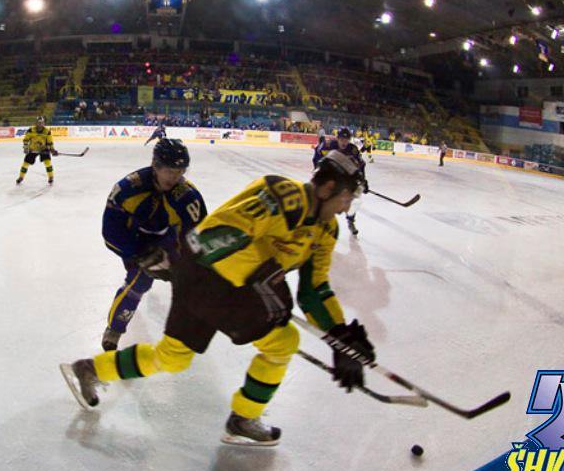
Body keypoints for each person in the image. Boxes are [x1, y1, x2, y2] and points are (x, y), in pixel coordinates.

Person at [62, 151, 374, 446]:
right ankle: (244, 418)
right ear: (328, 188)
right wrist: (259, 281)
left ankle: (90, 369)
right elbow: (218, 236)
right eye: (346, 198)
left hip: (232, 287)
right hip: (205, 275)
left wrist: (339, 335)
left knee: (173, 357)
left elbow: (314, 289)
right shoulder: (280, 195)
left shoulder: (325, 231)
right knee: (283, 342)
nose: (345, 207)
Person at [100, 139, 207, 351]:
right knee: (140, 280)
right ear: (155, 166)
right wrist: (140, 254)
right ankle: (115, 328)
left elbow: (198, 235)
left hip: (168, 238)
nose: (175, 177)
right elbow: (111, 232)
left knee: (185, 281)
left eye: (180, 171)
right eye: (169, 170)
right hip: (134, 238)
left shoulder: (188, 197)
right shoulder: (127, 189)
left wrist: (183, 263)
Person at [326, 128, 368, 236]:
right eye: (341, 139)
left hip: (346, 178)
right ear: (337, 139)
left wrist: (363, 180)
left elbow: (361, 165)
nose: (344, 142)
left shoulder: (353, 150)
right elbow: (317, 157)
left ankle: (350, 220)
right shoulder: (329, 145)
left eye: (346, 140)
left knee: (354, 200)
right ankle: (324, 222)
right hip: (330, 177)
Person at [16, 116, 58, 185]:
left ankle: (51, 177)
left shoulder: (47, 131)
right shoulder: (30, 130)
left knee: (47, 163)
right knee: (25, 163)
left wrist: (52, 149)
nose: (40, 124)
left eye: (42, 123)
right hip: (32, 149)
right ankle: (21, 177)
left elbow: (50, 142)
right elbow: (26, 140)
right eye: (39, 122)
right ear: (36, 123)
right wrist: (26, 148)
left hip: (43, 149)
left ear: (44, 123)